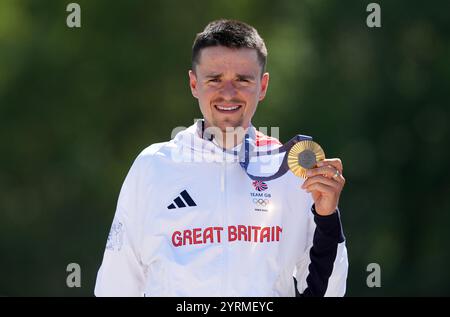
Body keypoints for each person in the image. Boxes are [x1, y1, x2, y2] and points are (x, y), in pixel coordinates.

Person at [94, 19, 348, 297]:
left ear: (262, 87)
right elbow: (116, 286)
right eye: (214, 79)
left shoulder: (288, 170)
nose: (228, 93)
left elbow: (329, 291)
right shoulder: (153, 166)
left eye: (243, 79)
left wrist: (327, 217)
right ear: (194, 83)